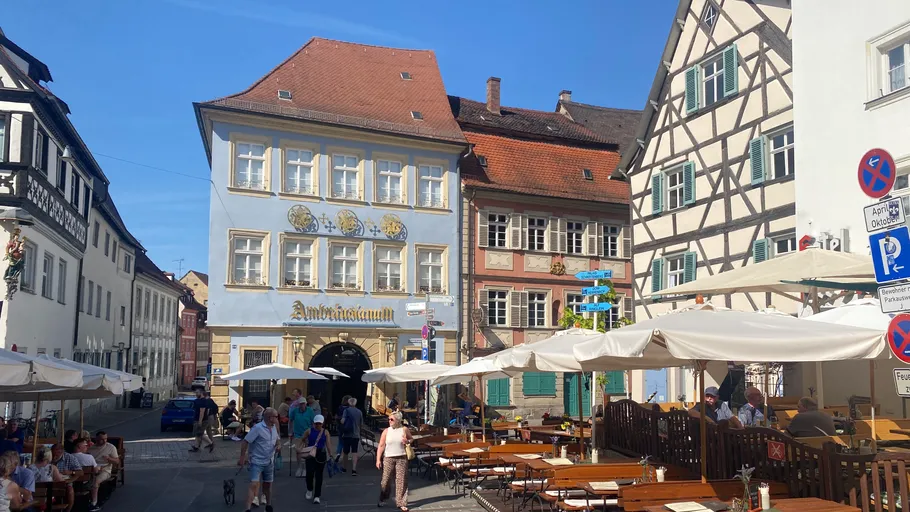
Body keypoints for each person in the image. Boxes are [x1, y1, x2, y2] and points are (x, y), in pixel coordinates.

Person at [238, 407, 280, 512]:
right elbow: (245, 441)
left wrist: (278, 446)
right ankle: (247, 509)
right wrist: (242, 457)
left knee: (268, 484)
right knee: (254, 484)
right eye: (275, 417)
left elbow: (277, 440)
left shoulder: (274, 427)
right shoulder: (257, 428)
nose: (277, 419)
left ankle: (268, 506)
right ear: (270, 418)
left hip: (269, 461)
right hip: (257, 461)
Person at [377, 411, 413, 511]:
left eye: (391, 419)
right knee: (385, 481)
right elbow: (381, 445)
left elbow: (411, 439)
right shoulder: (386, 431)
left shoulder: (404, 429)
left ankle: (401, 502)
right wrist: (378, 459)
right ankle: (383, 498)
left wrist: (407, 441)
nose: (389, 421)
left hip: (401, 457)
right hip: (388, 458)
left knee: (401, 481)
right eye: (389, 419)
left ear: (398, 420)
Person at [302, 414, 333, 504]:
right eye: (316, 423)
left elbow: (328, 444)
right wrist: (305, 445)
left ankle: (317, 495)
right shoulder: (309, 431)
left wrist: (330, 454)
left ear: (322, 423)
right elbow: (303, 438)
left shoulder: (326, 432)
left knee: (319, 475)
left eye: (319, 423)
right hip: (311, 452)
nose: (318, 425)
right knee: (309, 473)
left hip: (321, 453)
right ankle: (310, 488)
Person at [72, 438, 105, 511]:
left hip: (71, 483)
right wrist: (99, 468)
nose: (87, 447)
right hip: (85, 484)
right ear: (79, 446)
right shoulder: (89, 457)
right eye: (85, 445)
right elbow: (96, 470)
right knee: (95, 481)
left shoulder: (68, 457)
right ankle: (94, 503)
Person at [289, 397, 315, 478]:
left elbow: (313, 422)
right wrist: (290, 432)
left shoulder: (310, 411)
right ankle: (299, 467)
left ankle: (305, 468)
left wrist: (313, 433)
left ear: (306, 404)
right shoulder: (295, 411)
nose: (302, 405)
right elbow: (291, 420)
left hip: (308, 433)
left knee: (307, 451)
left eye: (303, 404)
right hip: (298, 434)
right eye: (301, 404)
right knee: (298, 451)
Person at [51, 444, 81, 512]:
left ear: (62, 451)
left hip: (65, 479)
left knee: (70, 490)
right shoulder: (48, 456)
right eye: (53, 452)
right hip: (51, 479)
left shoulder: (70, 457)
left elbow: (80, 472)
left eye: (57, 452)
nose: (55, 455)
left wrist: (71, 473)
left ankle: (68, 509)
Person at [341, 397, 363, 476]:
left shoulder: (346, 411)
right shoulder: (359, 412)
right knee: (354, 452)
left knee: (345, 452)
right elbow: (361, 424)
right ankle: (354, 469)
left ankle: (344, 468)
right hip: (355, 435)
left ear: (349, 403)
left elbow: (343, 421)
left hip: (347, 434)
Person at [190, 389, 215, 453]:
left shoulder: (203, 401)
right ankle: (196, 447)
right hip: (198, 419)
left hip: (202, 420)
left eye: (197, 392)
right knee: (197, 434)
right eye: (195, 392)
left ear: (201, 393)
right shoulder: (198, 400)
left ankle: (211, 443)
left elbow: (202, 411)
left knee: (199, 434)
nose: (196, 394)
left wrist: (200, 421)